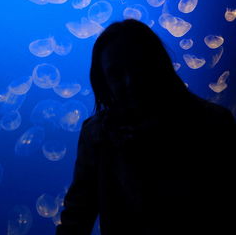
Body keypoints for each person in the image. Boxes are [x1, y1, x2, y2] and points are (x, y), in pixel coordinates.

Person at [56, 19, 236, 235]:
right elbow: (76, 218)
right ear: (103, 81)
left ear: (157, 63)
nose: (130, 80)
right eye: (115, 74)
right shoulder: (96, 136)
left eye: (138, 66)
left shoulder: (212, 123)